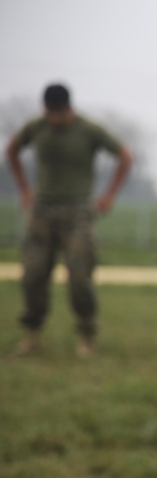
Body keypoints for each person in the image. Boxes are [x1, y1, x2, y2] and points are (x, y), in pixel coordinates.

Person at [6, 83, 133, 357]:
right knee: (33, 274)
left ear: (69, 109)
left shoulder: (88, 130)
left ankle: (86, 336)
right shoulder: (36, 128)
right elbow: (12, 151)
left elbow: (124, 155)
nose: (54, 120)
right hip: (41, 210)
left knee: (79, 276)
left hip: (77, 211)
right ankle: (32, 334)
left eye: (59, 114)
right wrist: (25, 189)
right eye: (50, 114)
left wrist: (109, 195)